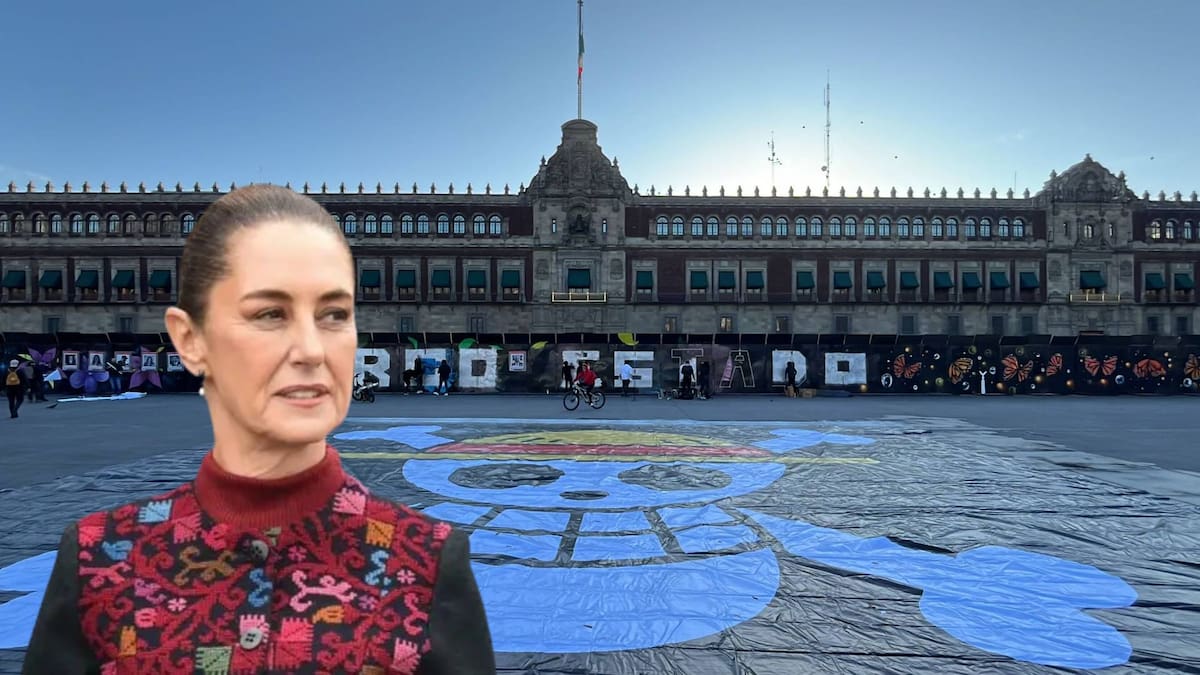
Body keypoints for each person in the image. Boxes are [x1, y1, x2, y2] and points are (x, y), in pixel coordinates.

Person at [22, 185, 494, 674]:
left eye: (334, 314)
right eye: (270, 314)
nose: (311, 350)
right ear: (191, 339)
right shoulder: (99, 562)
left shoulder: (428, 562)